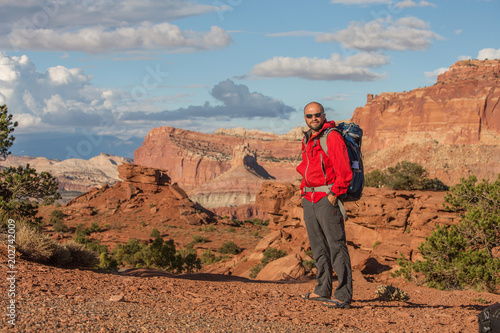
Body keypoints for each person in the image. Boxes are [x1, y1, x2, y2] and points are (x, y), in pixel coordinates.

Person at [296, 102, 353, 309]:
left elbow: (345, 172)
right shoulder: (307, 138)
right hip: (309, 199)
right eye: (309, 116)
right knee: (319, 247)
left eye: (317, 115)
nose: (313, 118)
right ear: (305, 118)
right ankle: (322, 289)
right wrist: (303, 191)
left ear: (323, 115)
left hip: (326, 198)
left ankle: (343, 295)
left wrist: (333, 194)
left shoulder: (332, 136)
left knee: (336, 246)